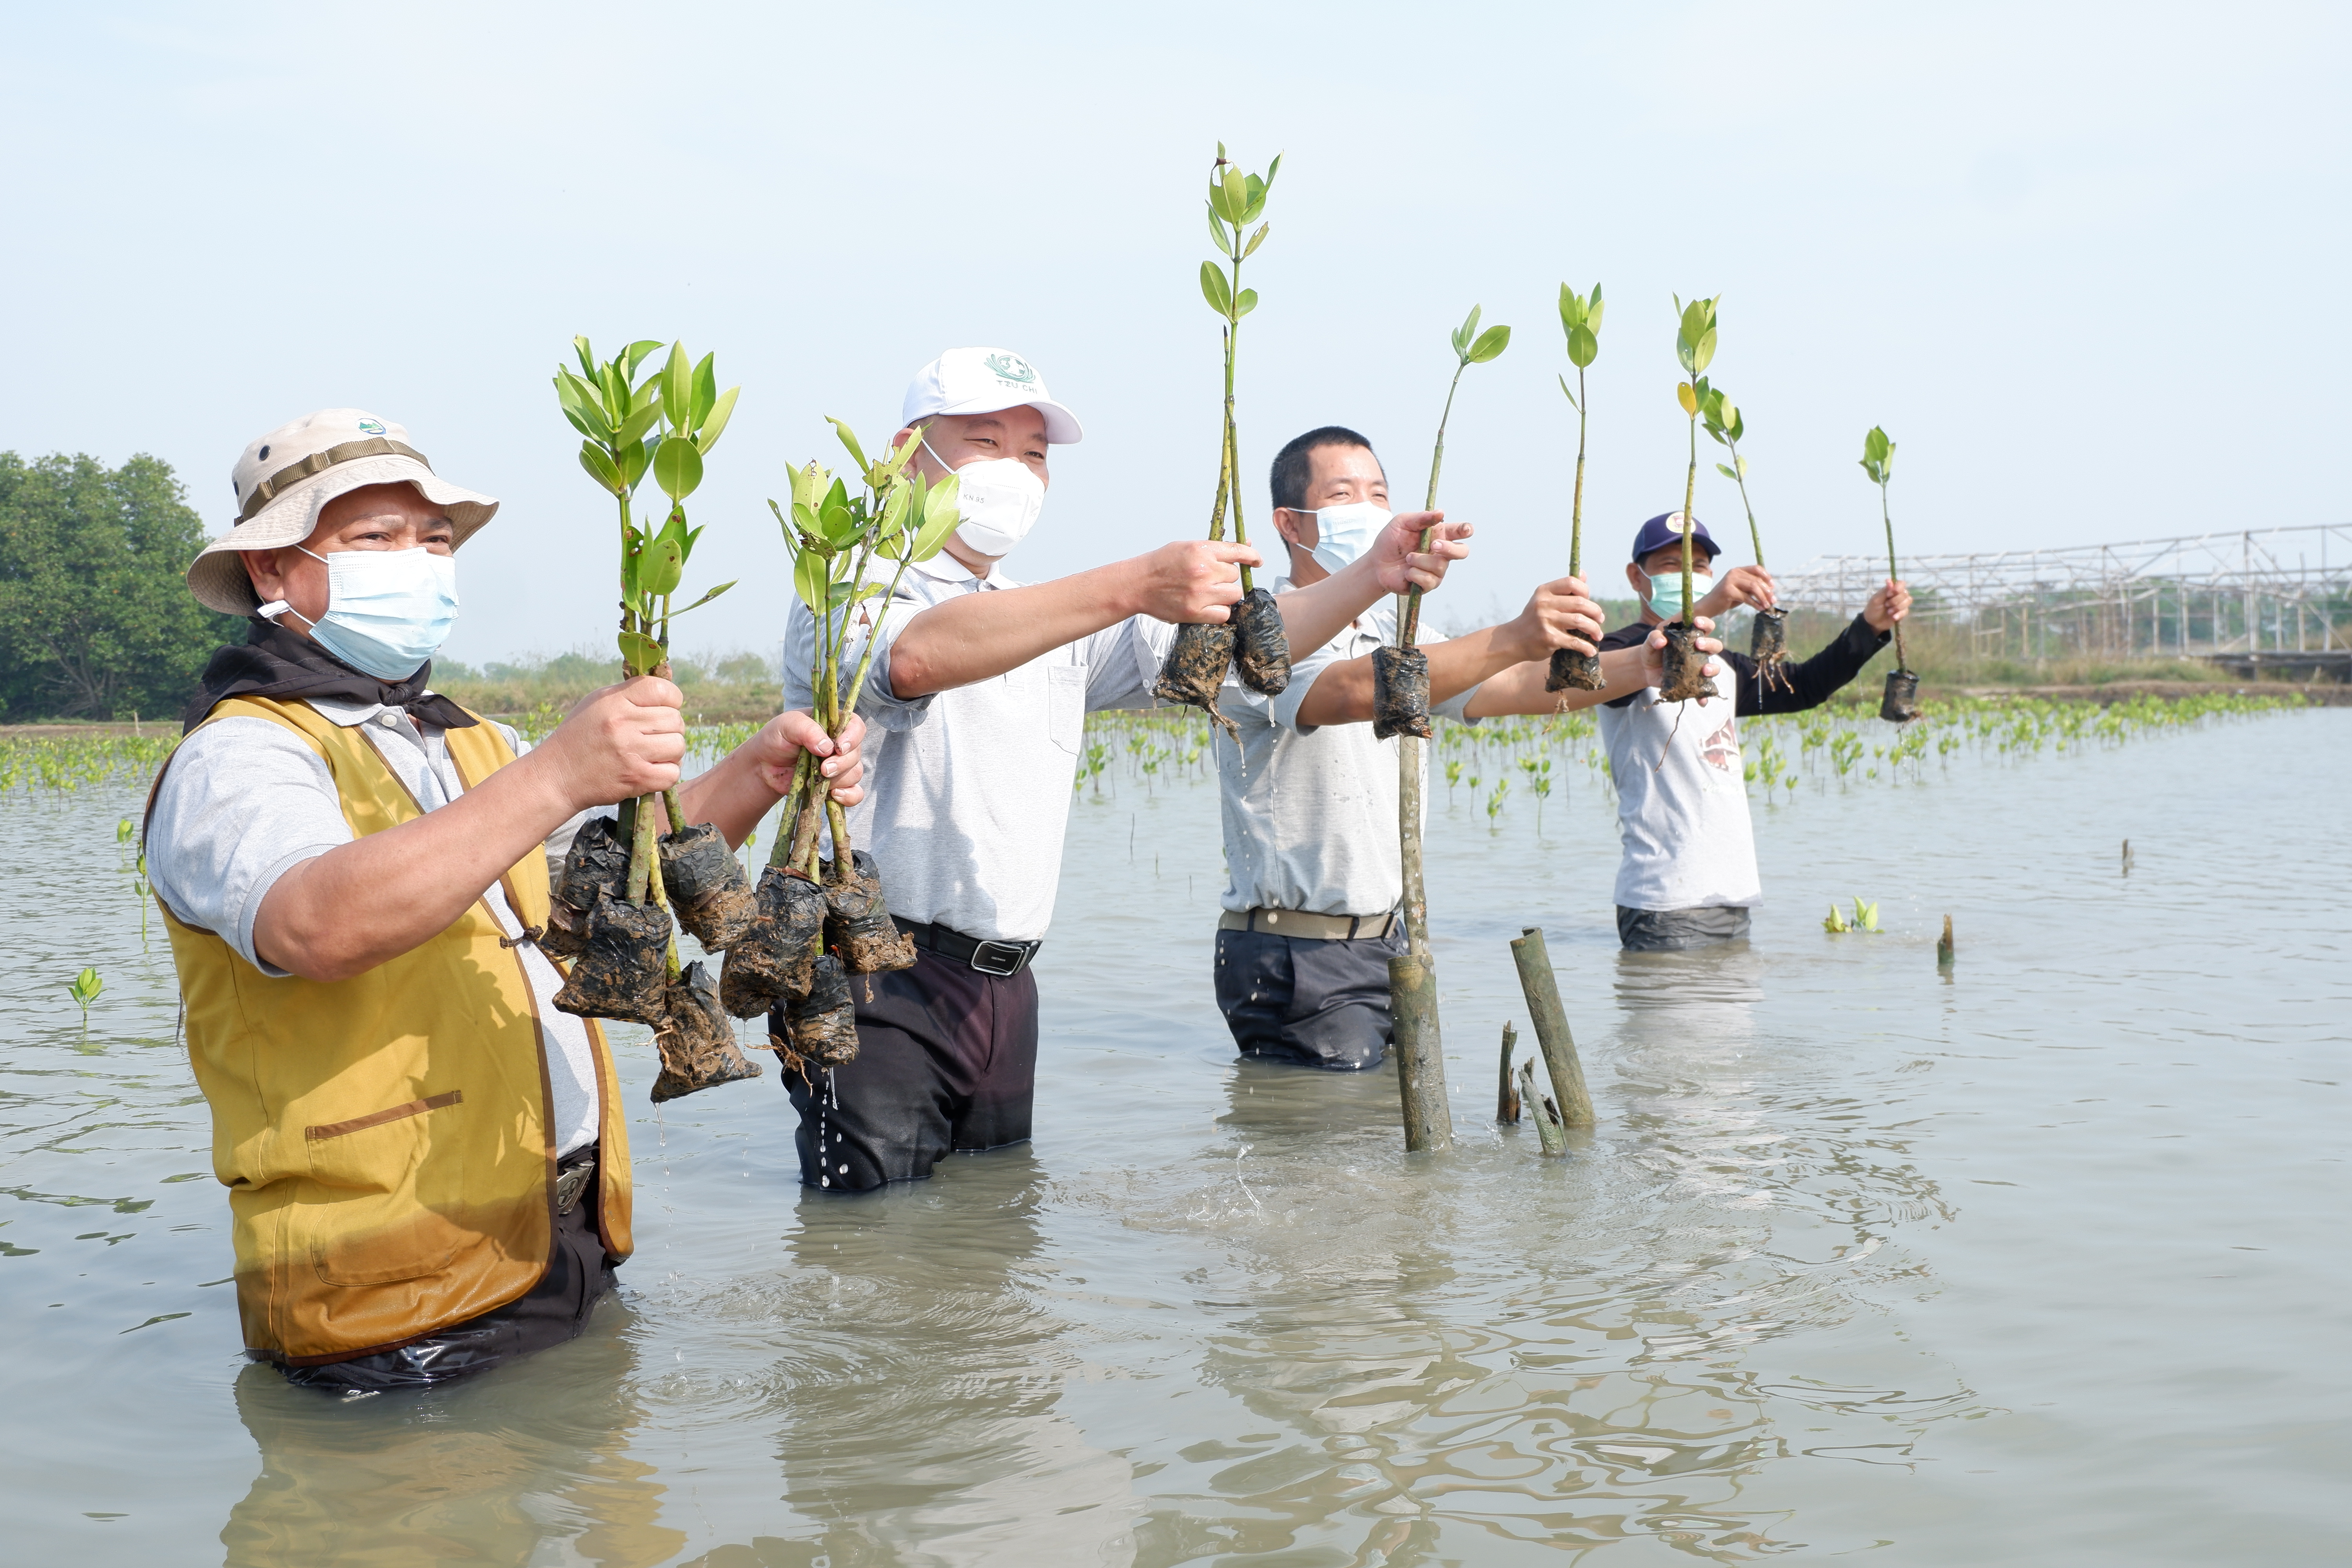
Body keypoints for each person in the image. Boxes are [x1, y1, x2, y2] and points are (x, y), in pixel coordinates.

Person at [146, 408, 865, 1392]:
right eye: (374, 538)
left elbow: (610, 884)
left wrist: (762, 769)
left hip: (555, 1240)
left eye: (433, 539)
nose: (418, 559)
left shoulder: (466, 740)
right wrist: (560, 772)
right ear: (272, 572)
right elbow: (314, 921)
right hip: (385, 1288)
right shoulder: (240, 752)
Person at [780, 349, 1469, 1191]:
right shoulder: (851, 590)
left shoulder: (1047, 619)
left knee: (989, 1236)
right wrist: (1136, 581)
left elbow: (1255, 645)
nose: (1015, 471)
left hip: (1006, 985)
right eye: (986, 442)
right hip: (878, 979)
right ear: (904, 454)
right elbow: (919, 659)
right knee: (870, 1248)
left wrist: (1373, 575)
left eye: (1033, 454)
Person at [1209, 426, 1720, 1069]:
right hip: (1297, 953)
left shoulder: (1393, 624)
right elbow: (1344, 694)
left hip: (1385, 941)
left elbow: (1497, 686)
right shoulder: (1259, 628)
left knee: (1380, 1154)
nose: (1368, 509)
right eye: (1344, 495)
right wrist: (1512, 634)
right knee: (1323, 1155)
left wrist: (1643, 669)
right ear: (1292, 522)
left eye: (1379, 493)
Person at [1595, 511, 1911, 951]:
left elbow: (1803, 687)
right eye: (1672, 566)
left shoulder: (1721, 665)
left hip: (1733, 898)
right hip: (1665, 903)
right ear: (1636, 576)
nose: (1690, 576)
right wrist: (1710, 606)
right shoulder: (1619, 654)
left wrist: (1870, 627)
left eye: (1701, 567)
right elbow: (1631, 669)